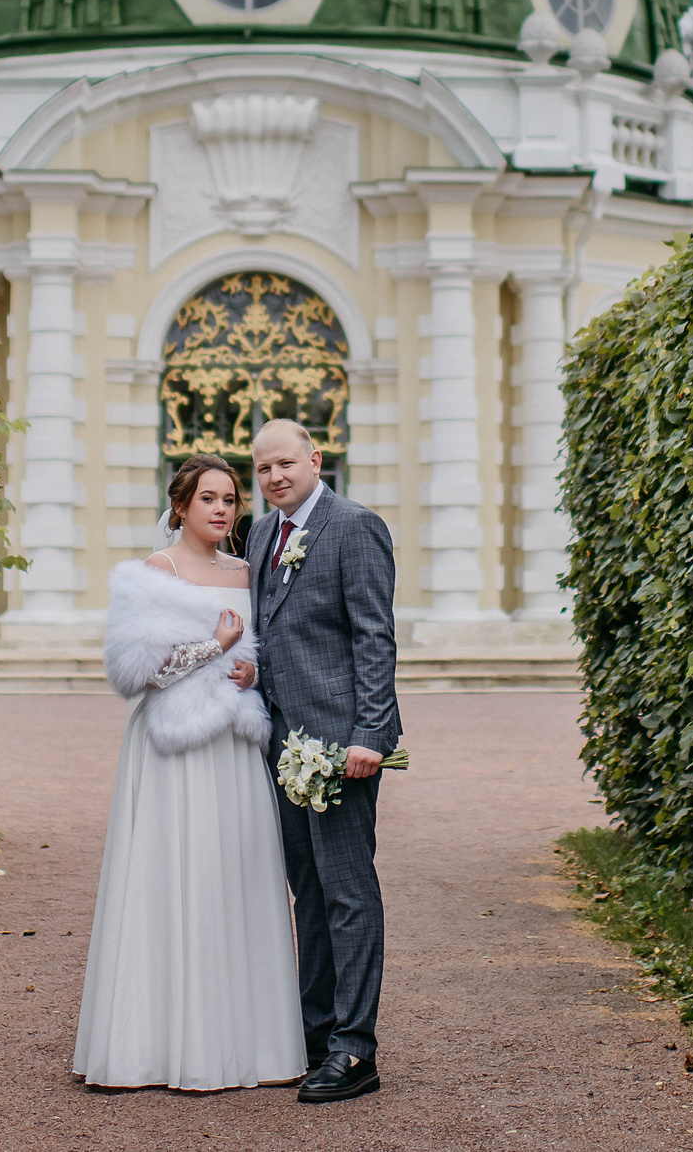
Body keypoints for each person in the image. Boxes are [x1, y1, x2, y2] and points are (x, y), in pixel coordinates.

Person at [72, 455, 309, 1091]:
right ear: (180, 506)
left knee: (235, 873)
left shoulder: (247, 570)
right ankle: (152, 1045)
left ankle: (249, 1045)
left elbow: (258, 652)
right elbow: (137, 672)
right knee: (170, 873)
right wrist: (217, 648)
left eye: (230, 498)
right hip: (173, 752)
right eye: (208, 498)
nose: (222, 509)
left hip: (233, 747)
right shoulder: (158, 571)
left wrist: (249, 670)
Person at [249, 417, 401, 1103]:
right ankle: (314, 1038)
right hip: (279, 744)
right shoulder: (258, 534)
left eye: (285, 463)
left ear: (316, 457)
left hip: (342, 746)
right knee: (305, 893)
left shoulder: (355, 525)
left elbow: (374, 634)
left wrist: (371, 732)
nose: (275, 477)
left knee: (347, 893)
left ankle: (355, 1050)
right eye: (262, 469)